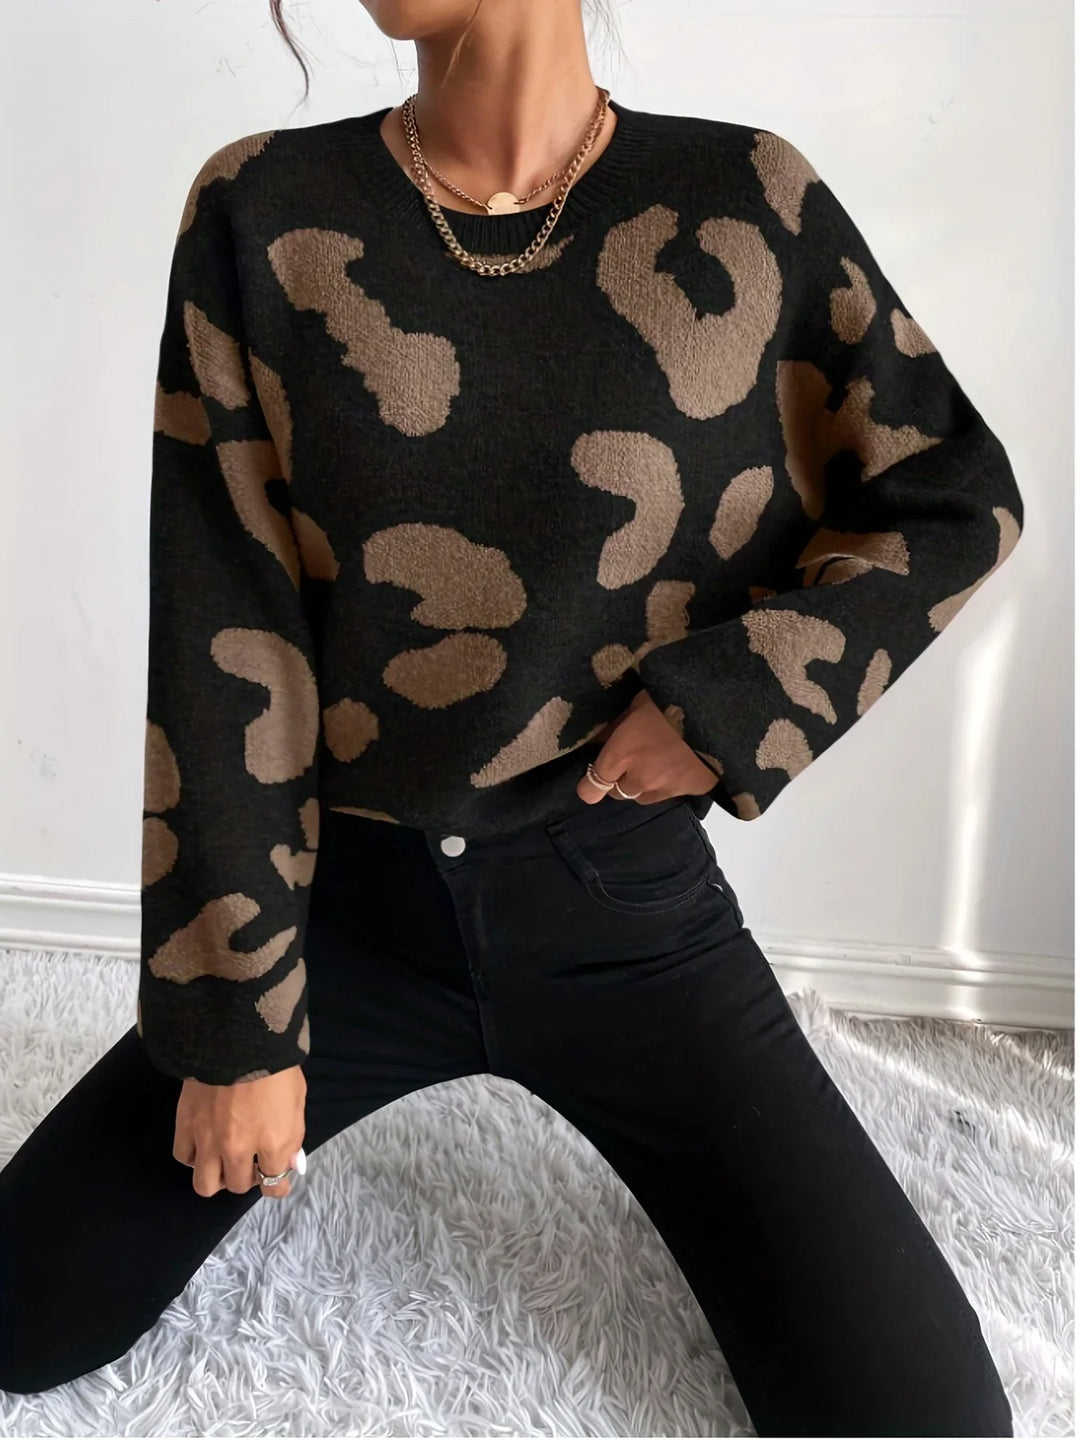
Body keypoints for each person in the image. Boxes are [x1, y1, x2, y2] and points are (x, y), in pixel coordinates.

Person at [0, 0, 1023, 1432]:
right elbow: (228, 632)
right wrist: (237, 1023)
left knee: (922, 1421)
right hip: (345, 918)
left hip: (624, 907)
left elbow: (953, 497)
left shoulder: (746, 197)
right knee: (23, 1314)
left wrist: (726, 709)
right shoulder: (265, 209)